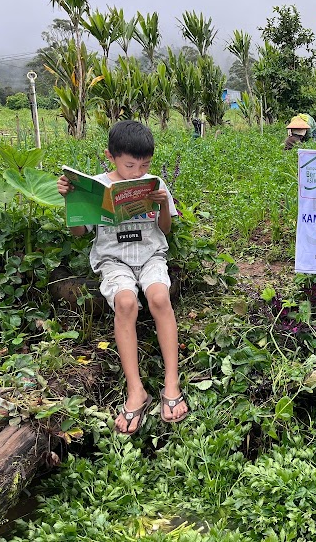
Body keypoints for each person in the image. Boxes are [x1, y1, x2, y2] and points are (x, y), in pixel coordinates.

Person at [57, 120, 189, 435]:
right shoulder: (97, 186)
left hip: (150, 254)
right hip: (113, 259)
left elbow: (166, 230)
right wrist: (71, 200)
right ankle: (136, 390)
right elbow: (78, 232)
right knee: (126, 302)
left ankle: (172, 383)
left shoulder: (155, 184)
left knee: (159, 297)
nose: (136, 172)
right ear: (111, 156)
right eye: (130, 165)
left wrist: (162, 208)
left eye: (144, 165)